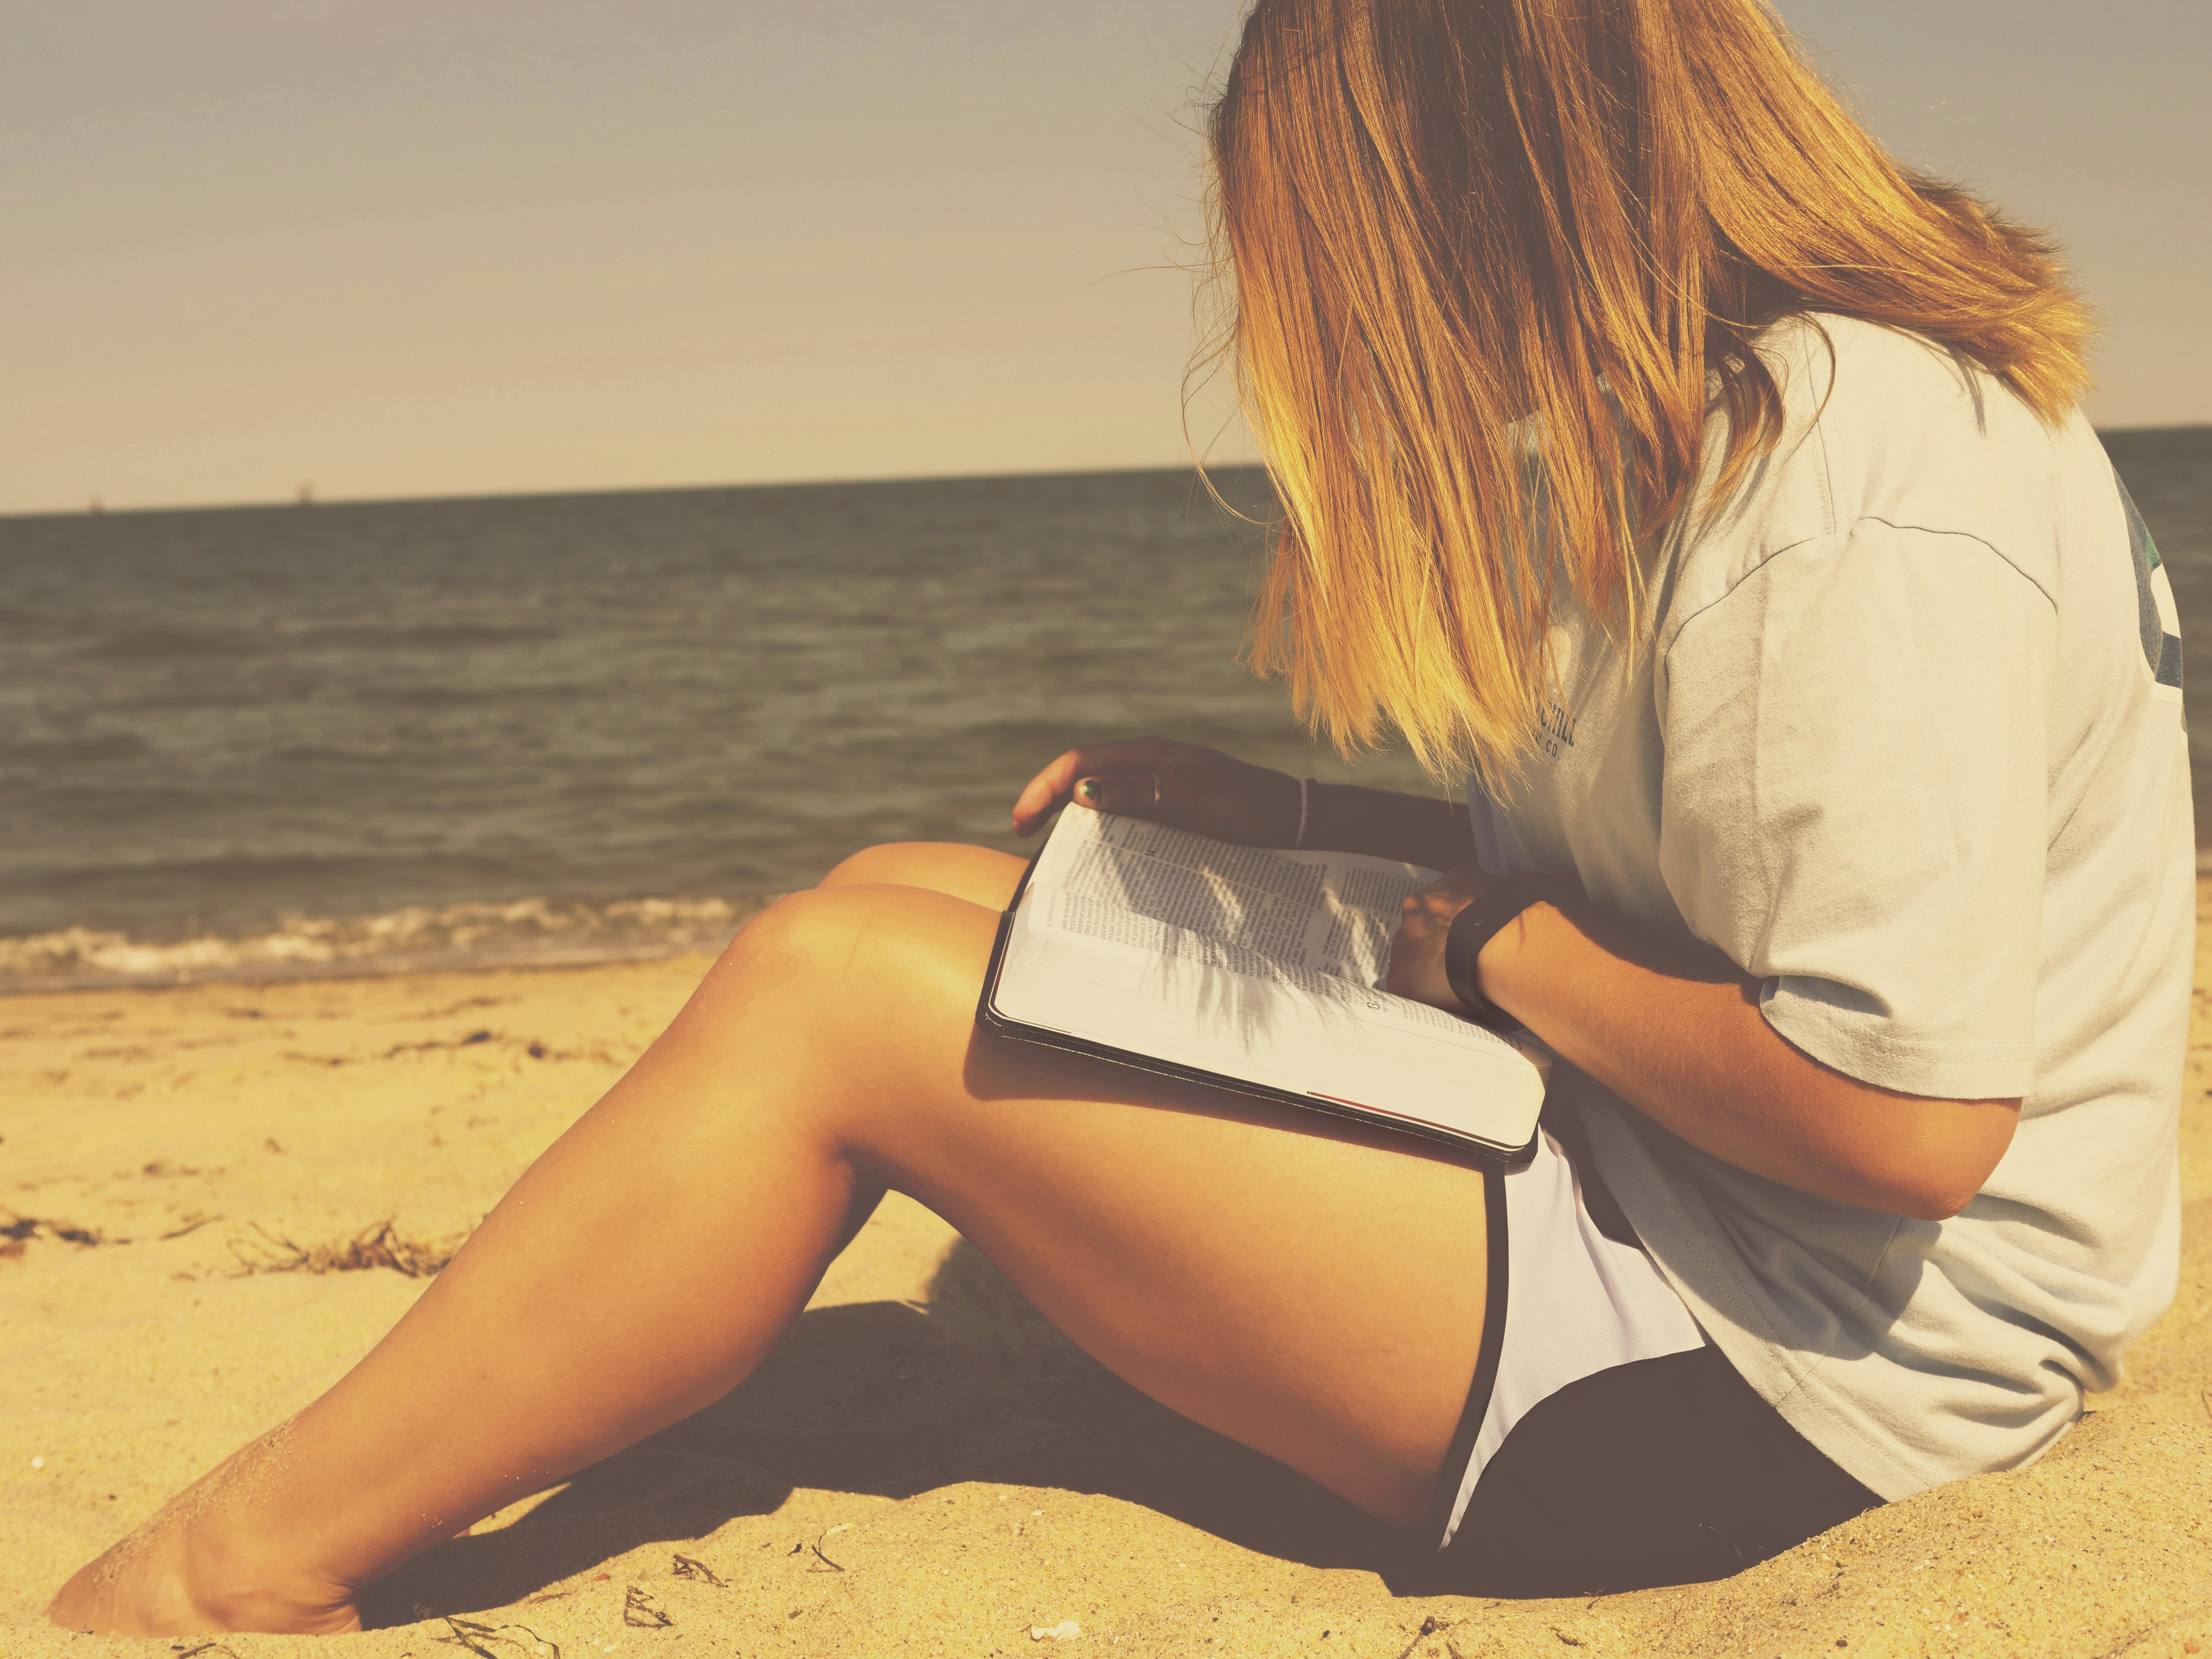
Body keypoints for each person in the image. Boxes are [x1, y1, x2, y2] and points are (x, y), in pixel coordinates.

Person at [52, 0, 2188, 1630]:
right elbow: (1702, 893)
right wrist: (1277, 817)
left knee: (835, 998)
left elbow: (1894, 1121)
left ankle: (227, 1579)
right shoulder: (1712, 442)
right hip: (1679, 1211)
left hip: (1789, 1374)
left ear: (1478, 188)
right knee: (916, 900)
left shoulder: (1854, 485)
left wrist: (1483, 953)